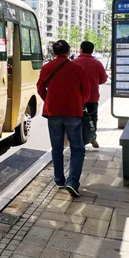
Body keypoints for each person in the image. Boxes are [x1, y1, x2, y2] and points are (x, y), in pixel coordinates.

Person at [36, 40, 90, 198]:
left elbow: (40, 88)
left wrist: (50, 100)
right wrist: (79, 103)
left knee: (57, 147)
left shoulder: (47, 67)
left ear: (54, 53)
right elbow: (86, 91)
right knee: (77, 148)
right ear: (68, 52)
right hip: (73, 112)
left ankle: (59, 179)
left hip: (53, 113)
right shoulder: (77, 68)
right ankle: (73, 182)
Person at [74, 41, 108, 148]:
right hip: (92, 98)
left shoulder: (74, 62)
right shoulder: (97, 63)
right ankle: (93, 138)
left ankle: (79, 141)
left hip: (77, 98)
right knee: (92, 119)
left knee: (77, 120)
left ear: (81, 49)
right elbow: (103, 79)